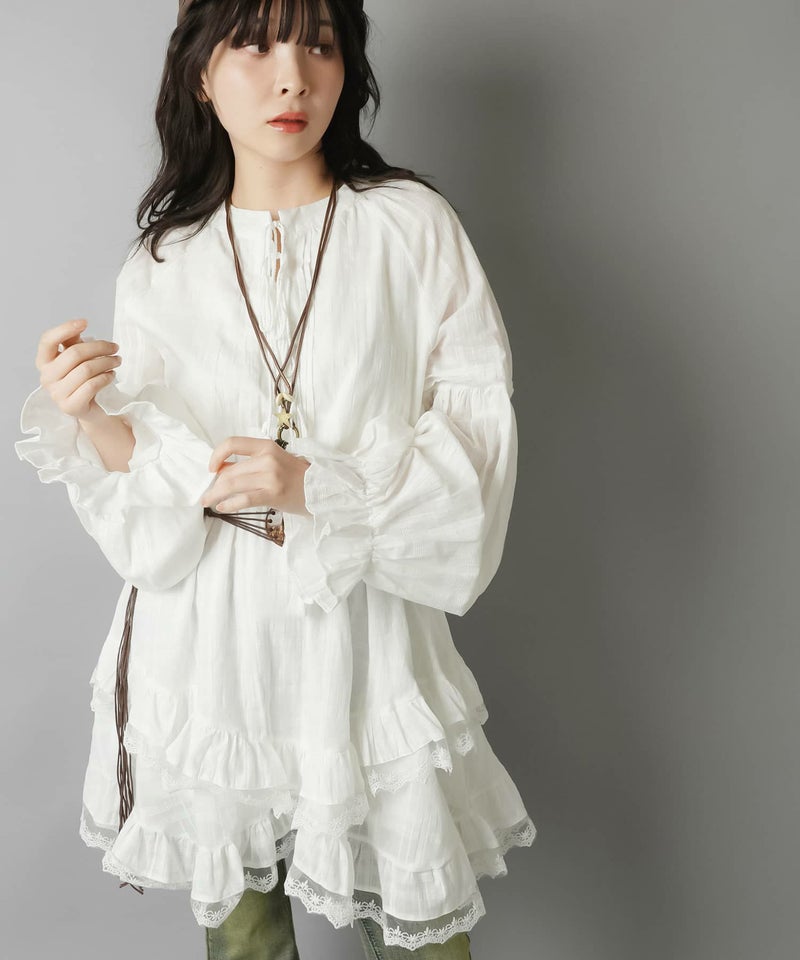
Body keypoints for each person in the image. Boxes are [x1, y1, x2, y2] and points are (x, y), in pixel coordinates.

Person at [14, 1, 536, 957]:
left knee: (423, 934)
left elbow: (478, 445)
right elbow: (162, 512)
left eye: (319, 44)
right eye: (254, 46)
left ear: (347, 68)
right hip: (213, 651)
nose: (291, 75)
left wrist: (317, 487)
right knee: (246, 945)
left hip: (363, 635)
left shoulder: (409, 229)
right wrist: (90, 418)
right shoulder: (166, 261)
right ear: (201, 75)